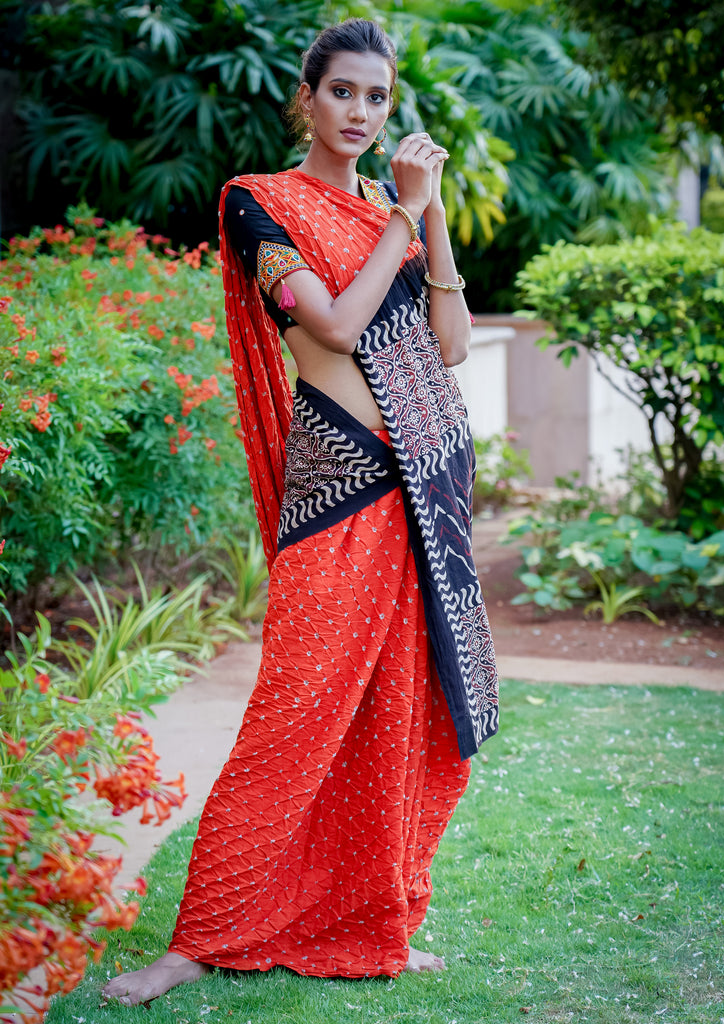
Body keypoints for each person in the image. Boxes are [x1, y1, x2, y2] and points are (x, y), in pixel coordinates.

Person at [102, 17, 498, 1007]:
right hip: (342, 485)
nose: (361, 112)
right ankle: (199, 939)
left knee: (406, 719)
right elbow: (331, 322)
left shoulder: (395, 210)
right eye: (344, 93)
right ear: (307, 96)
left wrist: (431, 213)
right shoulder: (260, 203)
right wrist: (402, 220)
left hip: (427, 486)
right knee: (291, 717)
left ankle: (375, 919)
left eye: (377, 96)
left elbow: (449, 343)